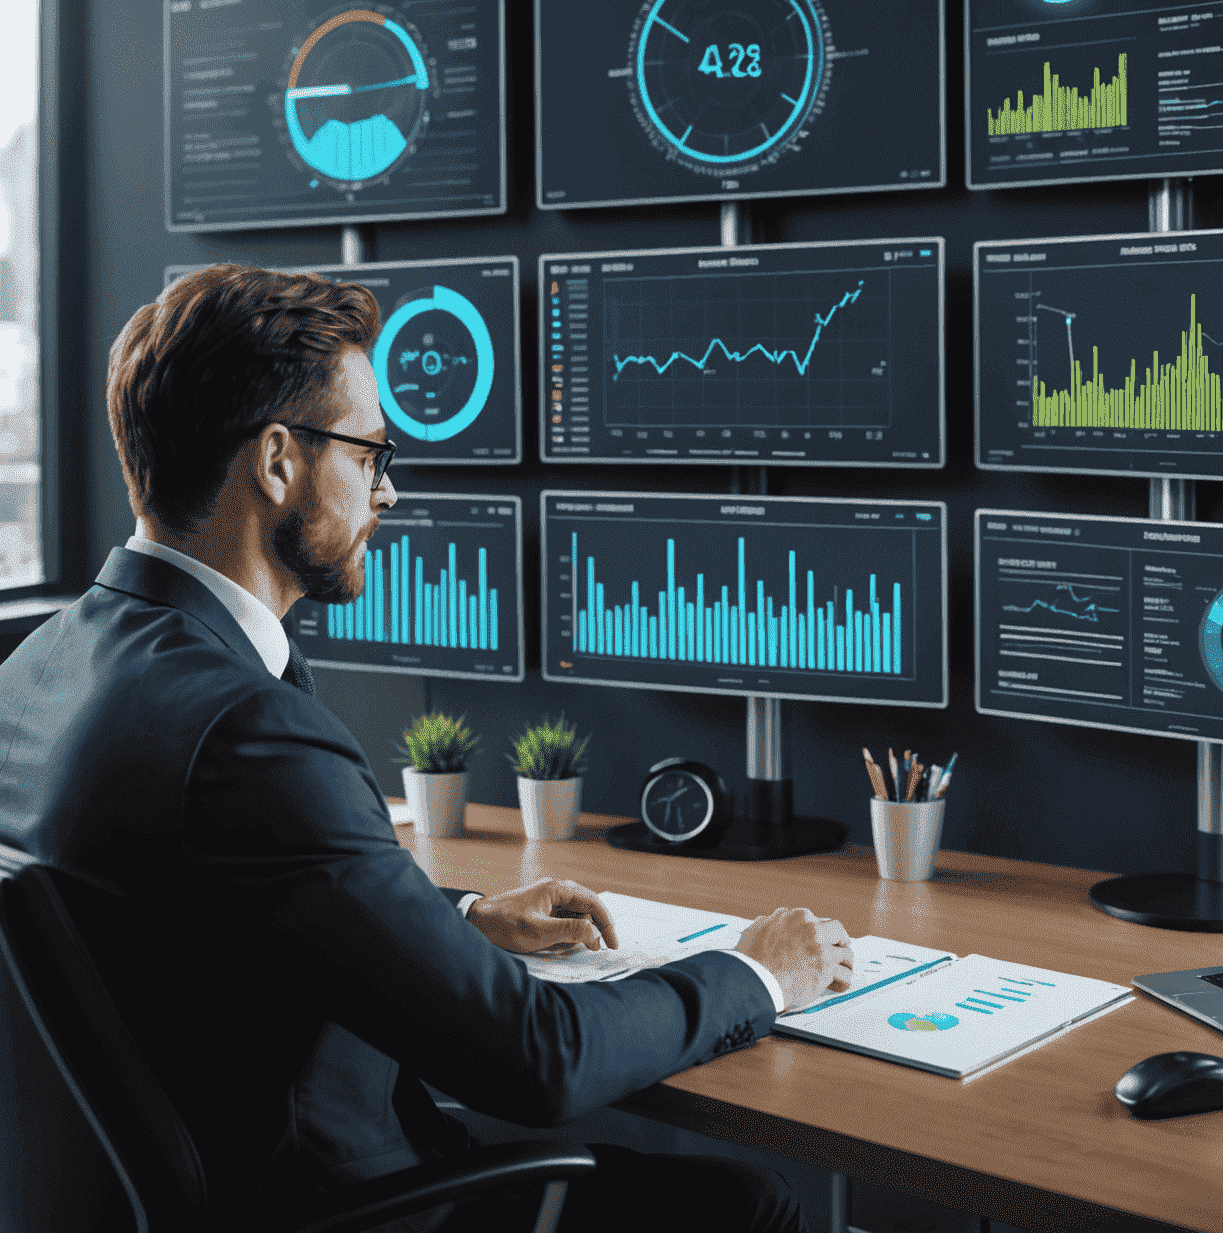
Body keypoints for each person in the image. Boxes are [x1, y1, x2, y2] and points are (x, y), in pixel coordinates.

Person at [0, 264, 852, 1232]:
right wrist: (758, 973)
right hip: (333, 1205)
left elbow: (199, 904)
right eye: (370, 456)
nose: (388, 494)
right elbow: (540, 1060)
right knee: (748, 1208)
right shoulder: (251, 737)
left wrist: (465, 919)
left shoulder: (37, 670)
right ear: (277, 463)